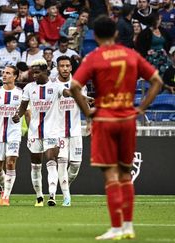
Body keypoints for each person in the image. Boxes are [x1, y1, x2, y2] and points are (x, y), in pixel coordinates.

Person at [70, 15, 162, 240]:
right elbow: (157, 81)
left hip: (105, 119)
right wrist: (140, 108)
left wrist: (88, 111)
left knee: (111, 175)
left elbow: (74, 86)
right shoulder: (131, 55)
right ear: (117, 34)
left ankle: (116, 228)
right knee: (125, 174)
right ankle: (129, 226)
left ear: (94, 35)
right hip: (127, 119)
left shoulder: (93, 57)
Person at [13, 59, 73, 207]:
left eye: (37, 72)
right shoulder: (28, 88)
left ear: (45, 71)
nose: (34, 75)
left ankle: (52, 195)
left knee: (51, 160)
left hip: (52, 131)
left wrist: (82, 97)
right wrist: (17, 115)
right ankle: (39, 196)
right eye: (33, 72)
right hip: (34, 131)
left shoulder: (55, 86)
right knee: (35, 165)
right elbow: (23, 107)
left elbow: (67, 92)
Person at [53, 55, 89, 207]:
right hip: (58, 131)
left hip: (75, 130)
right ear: (57, 68)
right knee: (62, 162)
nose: (65, 68)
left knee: (75, 165)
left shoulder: (80, 83)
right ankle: (67, 196)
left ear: (71, 67)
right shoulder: (52, 85)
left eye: (67, 66)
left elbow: (84, 104)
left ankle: (62, 186)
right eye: (62, 66)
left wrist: (89, 121)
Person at [0, 65, 23, 206]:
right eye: (3, 73)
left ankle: (6, 197)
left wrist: (31, 129)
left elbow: (27, 112)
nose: (4, 75)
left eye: (8, 73)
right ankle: (4, 188)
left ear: (15, 76)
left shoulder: (21, 93)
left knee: (10, 163)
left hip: (14, 133)